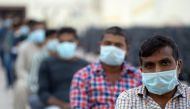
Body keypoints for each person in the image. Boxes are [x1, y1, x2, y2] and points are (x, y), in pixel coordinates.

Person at [70, 26, 142, 109]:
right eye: (108, 44)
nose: (112, 48)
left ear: (127, 50)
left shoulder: (138, 77)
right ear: (100, 46)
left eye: (118, 45)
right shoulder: (82, 76)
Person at [115, 35, 190, 109]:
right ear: (141, 70)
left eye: (165, 63)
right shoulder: (128, 99)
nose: (158, 70)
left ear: (179, 66)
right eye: (149, 65)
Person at [38, 27, 89, 109]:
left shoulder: (85, 66)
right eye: (62, 42)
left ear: (77, 42)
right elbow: (43, 93)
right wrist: (63, 105)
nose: (66, 45)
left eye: (70, 41)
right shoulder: (47, 63)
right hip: (55, 106)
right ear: (57, 43)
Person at [13, 20, 46, 109]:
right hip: (28, 78)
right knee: (20, 87)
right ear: (31, 32)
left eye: (41, 30)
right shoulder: (24, 47)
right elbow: (19, 68)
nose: (39, 32)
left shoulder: (49, 47)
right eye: (36, 30)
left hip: (46, 79)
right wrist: (29, 79)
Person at [28, 29, 58, 109]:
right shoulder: (38, 57)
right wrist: (43, 95)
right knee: (34, 100)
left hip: (61, 95)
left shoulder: (66, 58)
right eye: (51, 38)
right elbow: (33, 80)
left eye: (56, 39)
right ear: (45, 40)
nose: (54, 41)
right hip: (43, 94)